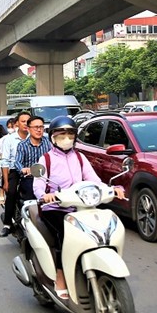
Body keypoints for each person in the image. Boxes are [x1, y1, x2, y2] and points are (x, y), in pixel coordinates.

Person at [33, 116, 125, 299]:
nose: (66, 138)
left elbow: (94, 180)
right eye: (61, 134)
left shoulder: (80, 158)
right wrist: (45, 196)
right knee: (64, 235)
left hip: (81, 208)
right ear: (53, 137)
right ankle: (60, 276)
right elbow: (38, 184)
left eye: (70, 134)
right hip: (55, 208)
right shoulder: (46, 159)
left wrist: (111, 189)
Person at [0, 111, 30, 237]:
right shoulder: (9, 140)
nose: (26, 124)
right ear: (17, 123)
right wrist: (5, 182)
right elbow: (5, 161)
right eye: (23, 121)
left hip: (33, 170)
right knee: (11, 193)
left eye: (28, 121)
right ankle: (7, 224)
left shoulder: (36, 137)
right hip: (14, 171)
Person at [14, 116, 52, 203]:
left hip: (47, 178)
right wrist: (23, 169)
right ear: (28, 129)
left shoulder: (49, 142)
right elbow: (17, 162)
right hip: (30, 178)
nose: (39, 130)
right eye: (36, 127)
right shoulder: (22, 145)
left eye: (41, 127)